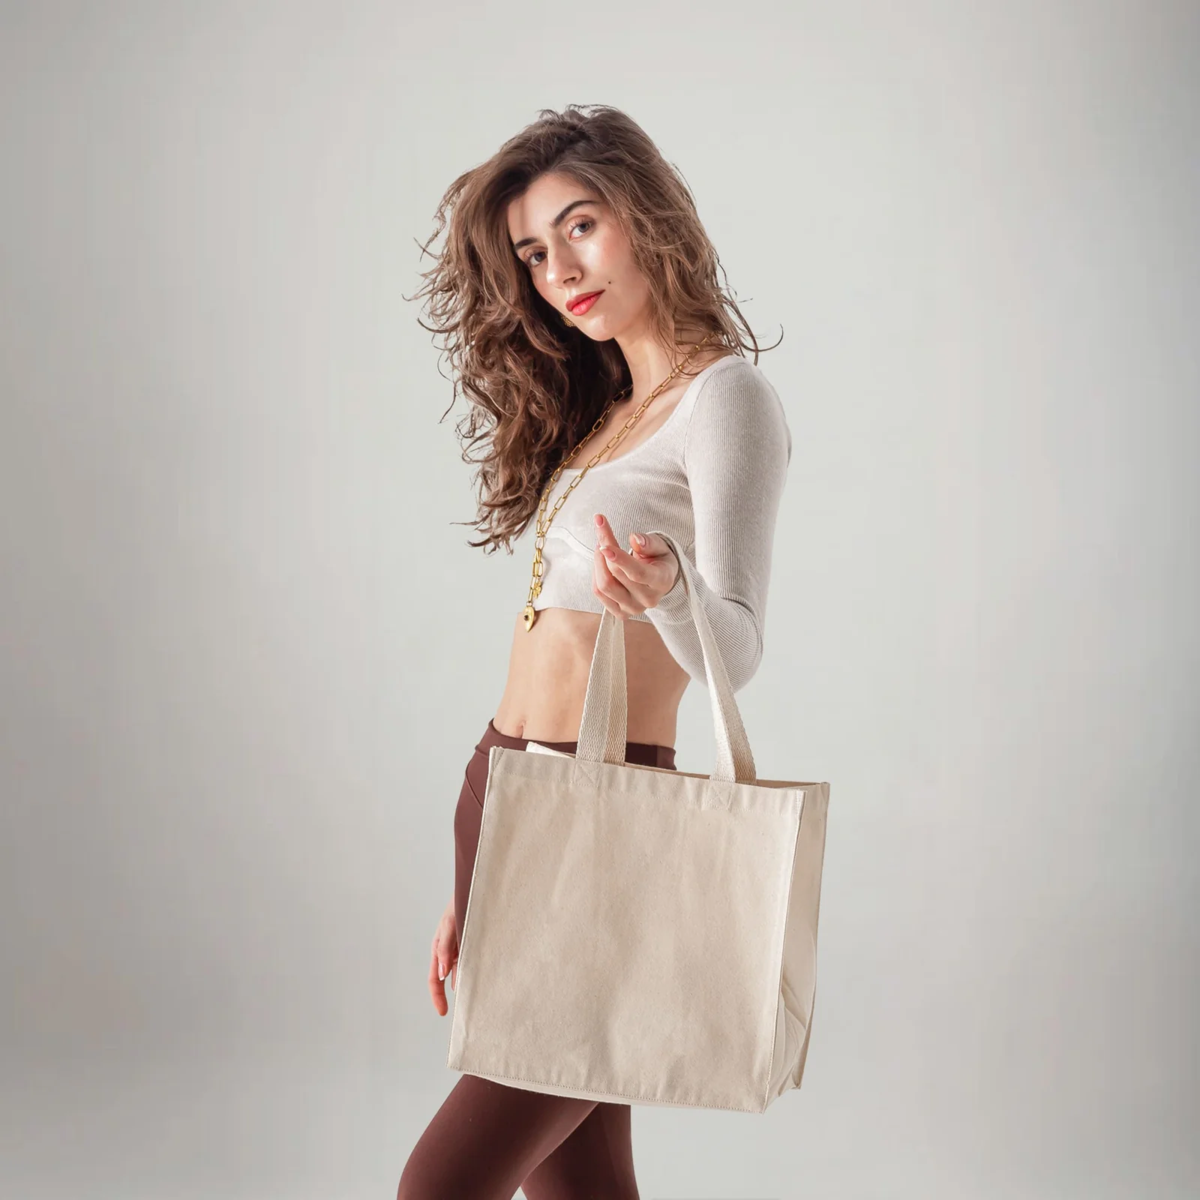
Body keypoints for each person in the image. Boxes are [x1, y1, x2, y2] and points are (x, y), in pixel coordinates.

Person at [397, 104, 792, 1200]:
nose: (559, 269)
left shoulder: (725, 399)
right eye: (533, 252)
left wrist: (672, 595)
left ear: (645, 215)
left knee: (439, 1185)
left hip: (599, 817)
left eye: (580, 226)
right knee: (582, 1189)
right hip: (509, 795)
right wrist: (476, 878)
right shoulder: (612, 409)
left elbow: (738, 648)